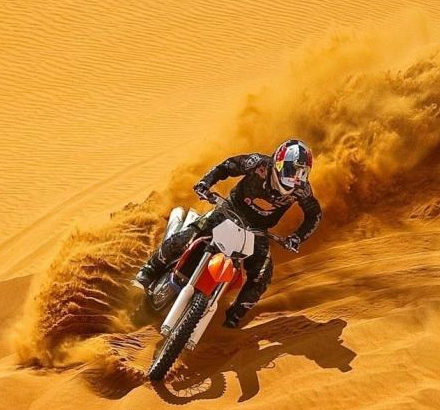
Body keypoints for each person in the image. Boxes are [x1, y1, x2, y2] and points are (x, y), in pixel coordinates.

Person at [135, 139, 322, 328]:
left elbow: (314, 213)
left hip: (257, 232)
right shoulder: (258, 164)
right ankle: (149, 270)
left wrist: (297, 237)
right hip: (228, 211)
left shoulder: (302, 190)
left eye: (302, 173)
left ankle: (233, 318)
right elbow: (227, 166)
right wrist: (205, 183)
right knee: (189, 236)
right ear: (279, 163)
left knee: (263, 275)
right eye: (291, 170)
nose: (295, 178)